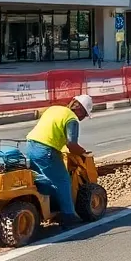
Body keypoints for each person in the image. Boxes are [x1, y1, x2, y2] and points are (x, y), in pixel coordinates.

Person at [25, 94, 93, 227]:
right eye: (84, 115)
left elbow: (50, 131)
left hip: (30, 146)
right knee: (63, 181)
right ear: (80, 110)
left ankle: (48, 209)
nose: (82, 118)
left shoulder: (54, 109)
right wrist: (83, 153)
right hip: (46, 151)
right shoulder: (71, 119)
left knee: (41, 180)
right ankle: (68, 216)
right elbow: (71, 144)